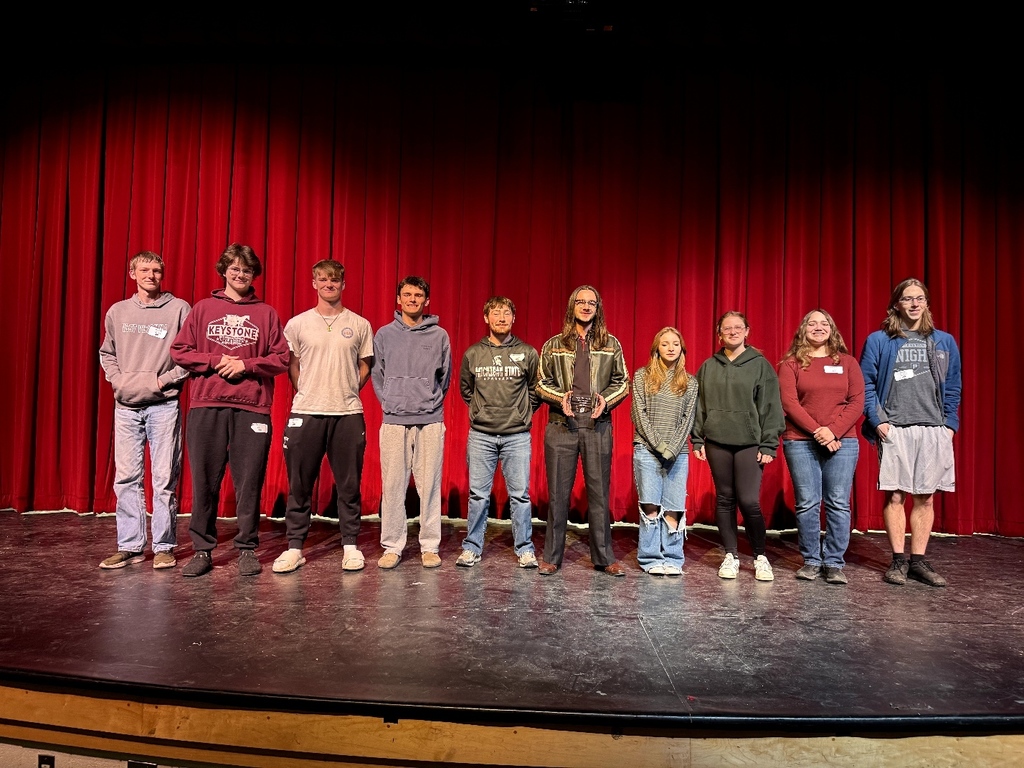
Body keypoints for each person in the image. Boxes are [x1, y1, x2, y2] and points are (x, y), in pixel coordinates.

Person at [170, 244, 290, 577]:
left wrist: (246, 365)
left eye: (247, 270)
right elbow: (180, 350)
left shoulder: (266, 313)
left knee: (249, 482)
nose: (240, 274)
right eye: (235, 268)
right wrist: (215, 360)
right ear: (224, 270)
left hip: (252, 409)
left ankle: (247, 548)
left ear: (255, 275)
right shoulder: (203, 308)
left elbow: (281, 359)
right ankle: (202, 550)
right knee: (205, 482)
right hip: (207, 405)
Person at [272, 261, 374, 575]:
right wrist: (308, 389)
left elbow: (365, 365)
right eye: (323, 279)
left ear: (343, 284)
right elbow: (293, 364)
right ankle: (294, 548)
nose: (329, 284)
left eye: (334, 279)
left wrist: (345, 388)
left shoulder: (359, 324)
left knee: (349, 485)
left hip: (347, 414)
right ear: (314, 283)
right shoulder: (297, 324)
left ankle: (350, 546)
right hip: (306, 413)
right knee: (299, 485)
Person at [859, 278, 962, 587]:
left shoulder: (944, 341)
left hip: (933, 428)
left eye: (920, 298)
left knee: (926, 498)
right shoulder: (879, 340)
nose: (915, 304)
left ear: (927, 304)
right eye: (907, 299)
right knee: (895, 495)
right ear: (896, 305)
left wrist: (949, 426)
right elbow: (865, 383)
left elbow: (953, 386)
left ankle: (918, 561)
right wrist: (877, 421)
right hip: (895, 428)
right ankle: (898, 561)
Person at [98, 251, 191, 570]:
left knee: (164, 477)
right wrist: (119, 381)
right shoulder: (118, 311)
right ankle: (130, 545)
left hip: (164, 405)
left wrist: (161, 381)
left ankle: (164, 545)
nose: (150, 275)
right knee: (126, 478)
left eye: (156, 270)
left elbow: (188, 357)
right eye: (144, 270)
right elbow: (106, 353)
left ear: (162, 275)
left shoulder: (179, 308)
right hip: (125, 407)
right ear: (132, 273)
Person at [536, 285, 629, 576]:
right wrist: (559, 397)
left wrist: (606, 400)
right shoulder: (553, 344)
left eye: (591, 303)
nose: (586, 307)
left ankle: (603, 557)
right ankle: (552, 556)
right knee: (558, 495)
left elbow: (622, 382)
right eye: (581, 302)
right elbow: (540, 382)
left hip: (597, 426)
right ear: (572, 306)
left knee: (599, 495)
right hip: (561, 426)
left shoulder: (611, 344)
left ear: (598, 308)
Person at [692, 311, 785, 582]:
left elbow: (770, 407)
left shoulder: (760, 365)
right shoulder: (709, 366)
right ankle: (730, 555)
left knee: (748, 501)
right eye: (727, 328)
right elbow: (699, 406)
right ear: (719, 334)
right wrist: (697, 438)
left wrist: (769, 444)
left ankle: (760, 556)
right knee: (724, 499)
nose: (732, 332)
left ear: (747, 331)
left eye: (738, 327)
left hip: (749, 443)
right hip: (717, 441)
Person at [779, 310, 864, 585]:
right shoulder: (791, 364)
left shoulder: (848, 363)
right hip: (801, 441)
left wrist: (834, 431)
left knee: (838, 502)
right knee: (807, 503)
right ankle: (812, 560)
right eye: (812, 323)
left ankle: (834, 562)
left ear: (832, 329)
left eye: (824, 323)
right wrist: (819, 432)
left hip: (843, 441)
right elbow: (789, 404)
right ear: (803, 329)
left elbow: (857, 401)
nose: (818, 327)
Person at [372, 276, 452, 570]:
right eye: (407, 294)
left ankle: (429, 546)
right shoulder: (383, 335)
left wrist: (429, 402)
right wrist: (391, 402)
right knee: (392, 485)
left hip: (430, 419)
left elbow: (445, 379)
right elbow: (377, 376)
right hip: (394, 419)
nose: (413, 300)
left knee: (430, 484)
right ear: (399, 299)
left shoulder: (439, 336)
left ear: (426, 301)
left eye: (419, 295)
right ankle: (392, 545)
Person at [457, 297, 540, 569]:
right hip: (481, 435)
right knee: (478, 495)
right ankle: (472, 547)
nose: (501, 318)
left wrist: (521, 414)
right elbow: (466, 390)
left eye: (506, 313)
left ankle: (525, 548)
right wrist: (482, 412)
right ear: (486, 318)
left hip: (517, 436)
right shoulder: (473, 354)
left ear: (514, 318)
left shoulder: (527, 353)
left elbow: (535, 389)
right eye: (496, 313)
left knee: (520, 495)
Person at [630, 327, 699, 576]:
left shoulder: (690, 383)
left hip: (678, 453)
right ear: (656, 349)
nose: (670, 348)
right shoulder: (642, 376)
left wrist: (672, 449)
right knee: (650, 505)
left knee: (673, 507)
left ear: (682, 349)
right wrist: (659, 446)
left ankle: (672, 557)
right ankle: (650, 558)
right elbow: (639, 415)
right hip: (647, 450)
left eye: (675, 344)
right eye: (665, 344)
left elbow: (687, 420)